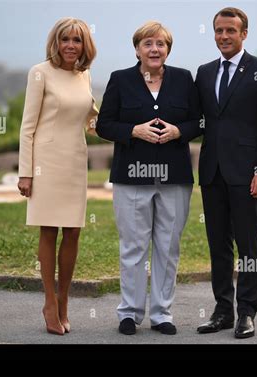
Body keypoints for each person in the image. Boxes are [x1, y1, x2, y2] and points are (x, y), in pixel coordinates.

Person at [96, 21, 201, 335]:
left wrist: (179, 130)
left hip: (175, 177)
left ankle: (162, 314)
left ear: (168, 49)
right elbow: (103, 125)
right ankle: (129, 313)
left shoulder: (184, 79)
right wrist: (133, 131)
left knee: (168, 247)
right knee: (133, 247)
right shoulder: (120, 80)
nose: (155, 50)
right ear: (137, 48)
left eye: (160, 44)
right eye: (148, 44)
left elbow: (200, 121)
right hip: (132, 177)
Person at [195, 7, 257, 338]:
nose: (224, 36)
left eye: (230, 30)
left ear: (244, 33)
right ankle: (222, 311)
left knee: (249, 247)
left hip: (249, 175)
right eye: (219, 30)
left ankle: (247, 313)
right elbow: (197, 119)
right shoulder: (204, 73)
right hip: (212, 173)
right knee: (218, 245)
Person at [18, 17, 98, 335]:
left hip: (76, 159)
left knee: (74, 232)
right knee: (49, 230)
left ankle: (65, 298)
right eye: (65, 39)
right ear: (56, 42)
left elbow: (91, 119)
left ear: (84, 46)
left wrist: (127, 126)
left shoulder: (85, 75)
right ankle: (49, 301)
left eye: (76, 40)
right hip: (45, 162)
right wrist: (26, 173)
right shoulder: (40, 72)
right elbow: (27, 126)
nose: (70, 46)